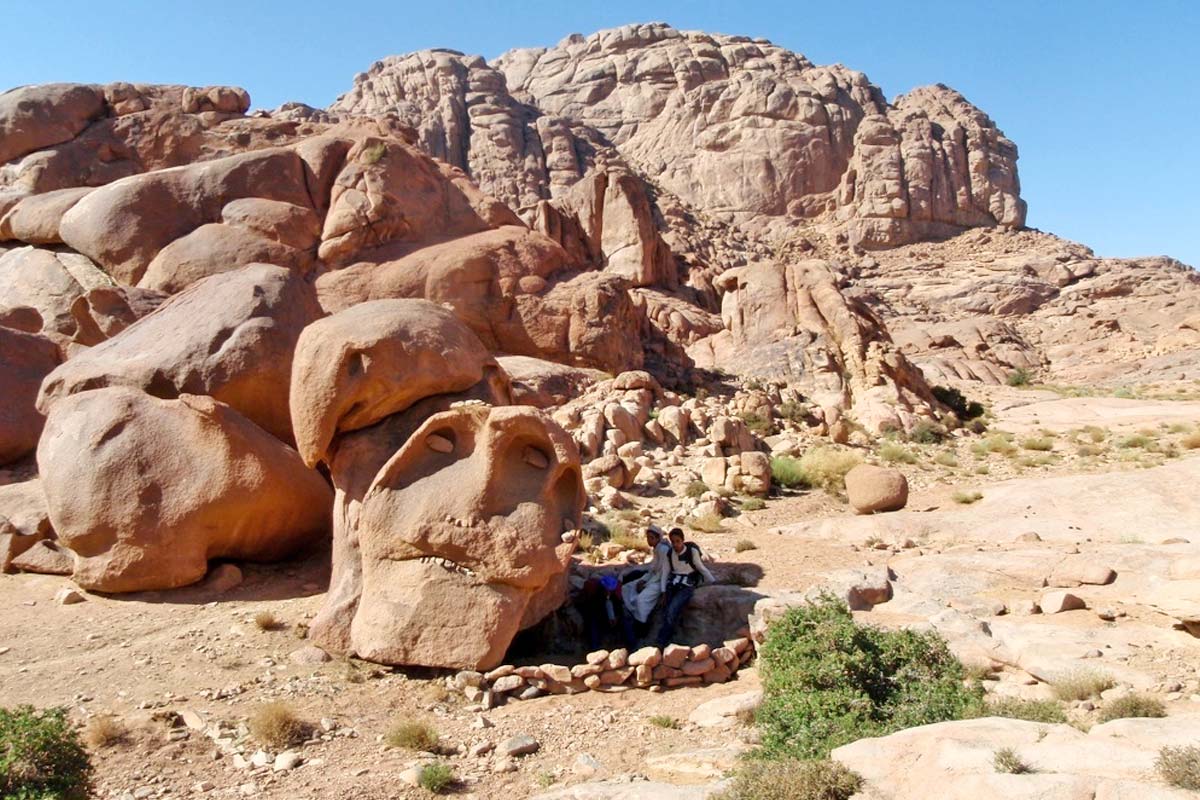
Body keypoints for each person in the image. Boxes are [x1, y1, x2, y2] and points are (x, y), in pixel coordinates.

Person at [655, 528, 716, 648]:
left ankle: (661, 641)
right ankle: (669, 638)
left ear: (683, 540)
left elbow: (701, 568)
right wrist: (663, 591)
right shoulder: (670, 553)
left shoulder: (691, 552)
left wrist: (713, 581)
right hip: (673, 583)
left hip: (687, 585)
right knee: (666, 610)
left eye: (678, 541)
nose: (676, 545)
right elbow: (665, 572)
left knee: (672, 609)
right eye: (673, 542)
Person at [621, 525, 671, 629]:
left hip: (661, 581)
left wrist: (646, 583)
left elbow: (663, 572)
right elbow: (652, 570)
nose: (649, 540)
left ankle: (641, 624)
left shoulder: (663, 550)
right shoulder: (656, 549)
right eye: (648, 537)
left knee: (641, 600)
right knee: (626, 588)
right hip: (653, 578)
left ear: (658, 538)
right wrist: (643, 580)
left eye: (652, 538)